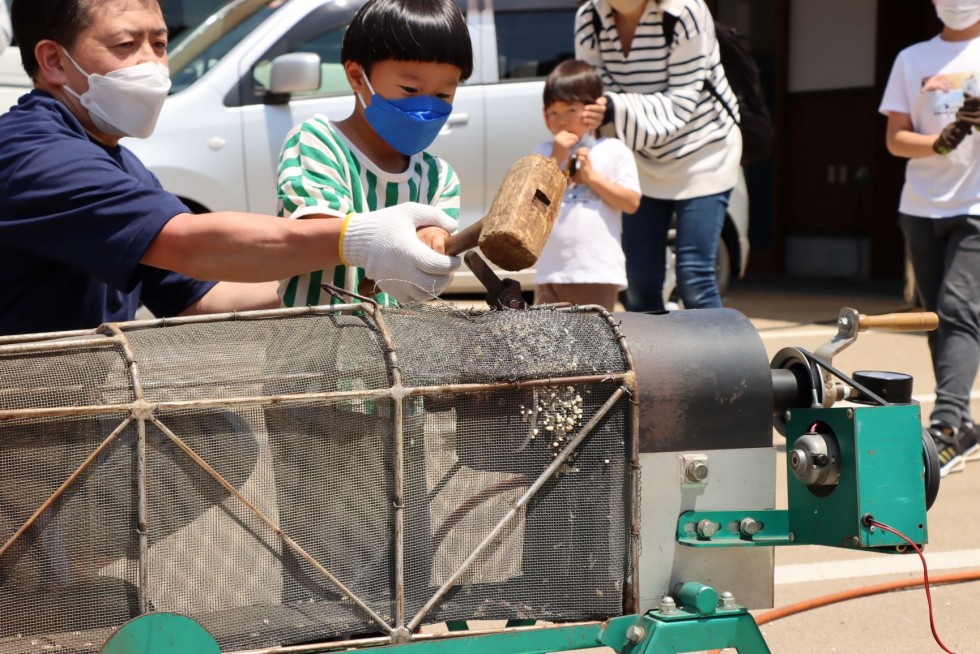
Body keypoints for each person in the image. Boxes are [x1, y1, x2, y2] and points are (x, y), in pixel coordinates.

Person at [0, 0, 460, 337]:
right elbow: (190, 246)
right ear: (54, 61)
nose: (152, 65)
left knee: (230, 445)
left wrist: (321, 286)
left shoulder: (120, 163)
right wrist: (357, 239)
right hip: (22, 408)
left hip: (68, 399)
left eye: (159, 44)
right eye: (126, 44)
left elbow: (201, 297)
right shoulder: (32, 155)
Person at [276, 0, 470, 308]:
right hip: (311, 345)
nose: (426, 106)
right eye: (409, 89)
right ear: (356, 76)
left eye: (443, 94)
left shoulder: (439, 179)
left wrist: (434, 241)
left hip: (391, 348)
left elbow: (428, 268)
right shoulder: (317, 143)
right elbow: (319, 232)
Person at [574, 0, 742, 312]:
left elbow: (682, 103)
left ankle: (720, 360)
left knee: (695, 278)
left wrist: (613, 107)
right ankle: (654, 361)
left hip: (702, 151)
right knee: (639, 284)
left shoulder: (685, 11)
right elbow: (592, 96)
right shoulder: (588, 18)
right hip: (638, 156)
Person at [880, 0, 980, 476]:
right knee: (937, 317)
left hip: (976, 207)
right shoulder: (912, 58)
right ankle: (962, 424)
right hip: (919, 205)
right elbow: (896, 138)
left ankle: (943, 429)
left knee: (960, 309)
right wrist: (943, 141)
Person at [531, 59, 640, 311]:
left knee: (594, 344)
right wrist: (556, 158)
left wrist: (592, 179)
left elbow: (631, 202)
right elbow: (531, 200)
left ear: (592, 110)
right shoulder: (545, 152)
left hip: (596, 270)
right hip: (551, 271)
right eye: (553, 113)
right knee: (548, 344)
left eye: (570, 110)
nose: (562, 120)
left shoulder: (612, 149)